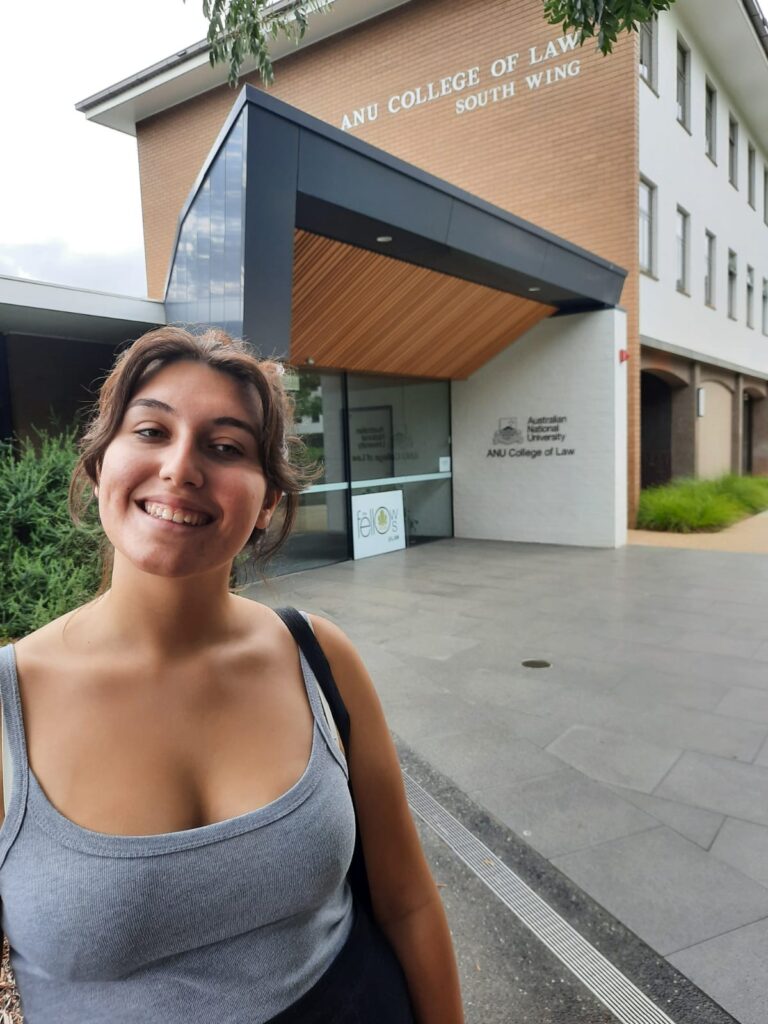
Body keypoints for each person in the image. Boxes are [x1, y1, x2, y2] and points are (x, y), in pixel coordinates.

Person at [0, 326, 464, 1024]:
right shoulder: (10, 703)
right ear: (99, 466)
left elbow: (406, 902)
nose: (182, 468)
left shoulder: (319, 657)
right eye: (152, 431)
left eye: (225, 447)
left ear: (268, 503)